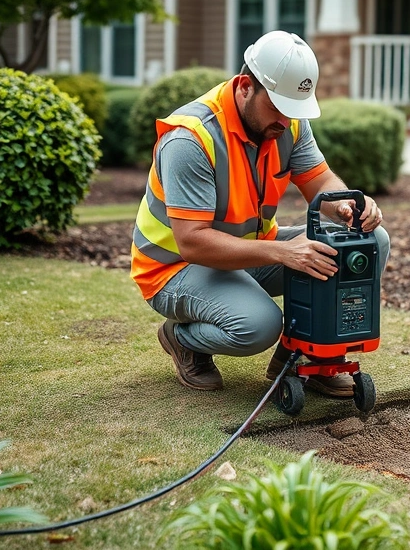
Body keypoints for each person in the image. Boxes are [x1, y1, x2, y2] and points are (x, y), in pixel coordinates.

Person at [130, 30, 390, 397]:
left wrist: (350, 206)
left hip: (250, 251)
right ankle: (184, 339)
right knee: (259, 326)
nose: (286, 120)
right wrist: (284, 252)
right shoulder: (190, 139)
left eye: (293, 109)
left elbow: (321, 182)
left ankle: (306, 359)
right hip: (176, 267)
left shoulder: (288, 123)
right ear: (244, 87)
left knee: (371, 241)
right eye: (279, 107)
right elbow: (193, 243)